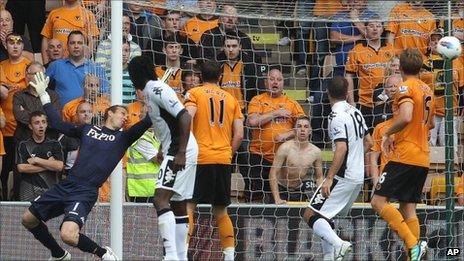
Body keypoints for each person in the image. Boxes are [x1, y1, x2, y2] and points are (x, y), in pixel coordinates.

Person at [21, 71, 153, 260]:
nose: (125, 118)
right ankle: (58, 255)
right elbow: (57, 123)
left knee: (68, 235)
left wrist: (155, 99)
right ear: (110, 113)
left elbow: (147, 121)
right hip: (67, 184)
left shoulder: (124, 138)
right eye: (122, 113)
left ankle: (103, 253)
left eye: (126, 115)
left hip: (85, 191)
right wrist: (44, 95)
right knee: (28, 219)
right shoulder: (88, 129)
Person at [128, 55, 198, 260]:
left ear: (136, 74)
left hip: (180, 149)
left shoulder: (157, 89)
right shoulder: (150, 92)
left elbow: (184, 116)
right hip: (174, 148)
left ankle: (170, 255)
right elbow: (164, 123)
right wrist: (161, 146)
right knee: (177, 202)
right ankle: (181, 256)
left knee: (160, 199)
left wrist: (181, 151)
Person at [370, 49, 435, 261]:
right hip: (423, 156)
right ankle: (412, 256)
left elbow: (406, 116)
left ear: (402, 68)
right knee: (408, 208)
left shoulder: (405, 87)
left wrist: (388, 133)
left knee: (378, 202)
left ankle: (412, 243)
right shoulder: (428, 90)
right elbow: (431, 124)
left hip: (404, 154)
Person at [303, 76, 372, 260]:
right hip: (357, 177)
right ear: (347, 92)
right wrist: (356, 159)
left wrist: (330, 177)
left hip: (343, 175)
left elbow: (341, 148)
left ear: (327, 93)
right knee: (325, 216)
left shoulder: (335, 116)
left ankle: (339, 244)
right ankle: (329, 256)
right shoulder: (355, 111)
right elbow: (370, 142)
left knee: (310, 214)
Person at [185, 60, 244, 261]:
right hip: (223, 159)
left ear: (200, 76)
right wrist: (228, 152)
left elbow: (188, 117)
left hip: (200, 158)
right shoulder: (231, 99)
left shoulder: (194, 93)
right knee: (221, 210)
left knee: (189, 206)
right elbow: (240, 135)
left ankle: (181, 253)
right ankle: (229, 256)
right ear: (220, 76)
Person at [245, 67, 305, 201]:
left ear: (283, 83)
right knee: (256, 198)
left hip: (284, 160)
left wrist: (288, 134)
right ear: (266, 83)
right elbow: (253, 121)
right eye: (271, 79)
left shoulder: (292, 103)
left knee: (280, 199)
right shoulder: (257, 100)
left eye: (279, 79)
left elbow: (305, 127)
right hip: (259, 158)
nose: (275, 82)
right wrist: (276, 113)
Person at [345, 17, 396, 131]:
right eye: (371, 26)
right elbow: (349, 76)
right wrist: (352, 102)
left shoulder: (391, 49)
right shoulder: (357, 50)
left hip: (387, 102)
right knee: (366, 139)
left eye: (378, 26)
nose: (375, 29)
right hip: (365, 102)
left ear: (382, 30)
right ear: (365, 29)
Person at [420, 28, 464, 147]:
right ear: (429, 43)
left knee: (449, 146)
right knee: (428, 145)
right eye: (433, 40)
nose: (436, 42)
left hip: (450, 110)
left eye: (439, 39)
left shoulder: (456, 60)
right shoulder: (422, 60)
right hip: (428, 111)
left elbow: (462, 86)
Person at [0, 33, 31, 200]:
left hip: (23, 128)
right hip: (3, 128)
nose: (15, 45)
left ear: (23, 46)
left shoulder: (30, 67)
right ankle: (3, 200)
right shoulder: (1, 66)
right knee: (3, 171)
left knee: (19, 170)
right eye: (11, 42)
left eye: (19, 42)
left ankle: (17, 201)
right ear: (5, 46)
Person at [46, 30, 108, 107]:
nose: (76, 46)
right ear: (67, 46)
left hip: (88, 115)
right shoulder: (56, 65)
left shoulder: (97, 68)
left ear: (85, 46)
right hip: (63, 116)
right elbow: (42, 88)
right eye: (72, 43)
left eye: (80, 43)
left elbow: (104, 96)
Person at [269, 116, 323, 204]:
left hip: (299, 190)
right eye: (299, 126)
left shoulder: (316, 152)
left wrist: (320, 197)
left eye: (306, 127)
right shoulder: (285, 148)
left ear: (310, 131)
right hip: (281, 189)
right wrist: (277, 198)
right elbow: (273, 173)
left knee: (300, 217)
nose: (302, 129)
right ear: (294, 130)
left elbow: (319, 177)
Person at [16, 111, 64, 201]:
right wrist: (50, 165)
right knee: (27, 215)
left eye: (43, 122)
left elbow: (59, 166)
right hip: (28, 191)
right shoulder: (23, 144)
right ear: (30, 126)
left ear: (46, 125)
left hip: (50, 190)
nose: (41, 126)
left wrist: (37, 160)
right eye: (37, 123)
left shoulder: (55, 144)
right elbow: (22, 168)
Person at [13, 62, 61, 143]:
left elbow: (55, 118)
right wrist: (44, 118)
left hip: (49, 139)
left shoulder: (53, 95)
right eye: (35, 74)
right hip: (24, 139)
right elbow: (19, 116)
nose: (39, 77)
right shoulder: (19, 95)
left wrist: (31, 118)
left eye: (41, 74)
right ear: (27, 76)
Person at [217, 32, 264, 112]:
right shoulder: (216, 65)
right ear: (223, 48)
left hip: (243, 111)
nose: (231, 50)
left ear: (240, 47)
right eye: (227, 46)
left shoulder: (250, 65)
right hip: (222, 111)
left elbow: (259, 90)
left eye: (234, 46)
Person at [330, 0, 376, 76]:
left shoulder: (372, 16)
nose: (355, 1)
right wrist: (358, 37)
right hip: (342, 67)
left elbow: (372, 35)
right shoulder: (340, 15)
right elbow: (333, 38)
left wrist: (355, 19)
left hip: (367, 68)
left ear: (365, 1)